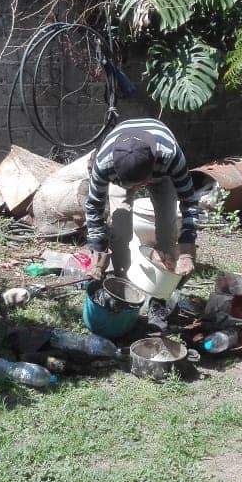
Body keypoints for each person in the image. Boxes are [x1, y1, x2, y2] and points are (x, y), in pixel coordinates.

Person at [83, 118, 197, 328]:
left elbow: (189, 200)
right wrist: (97, 252)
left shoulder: (170, 155)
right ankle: (123, 290)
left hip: (161, 176)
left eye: (141, 183)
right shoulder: (104, 163)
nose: (139, 188)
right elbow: (93, 206)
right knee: (119, 232)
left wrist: (187, 250)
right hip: (123, 173)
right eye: (133, 185)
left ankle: (159, 302)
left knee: (167, 231)